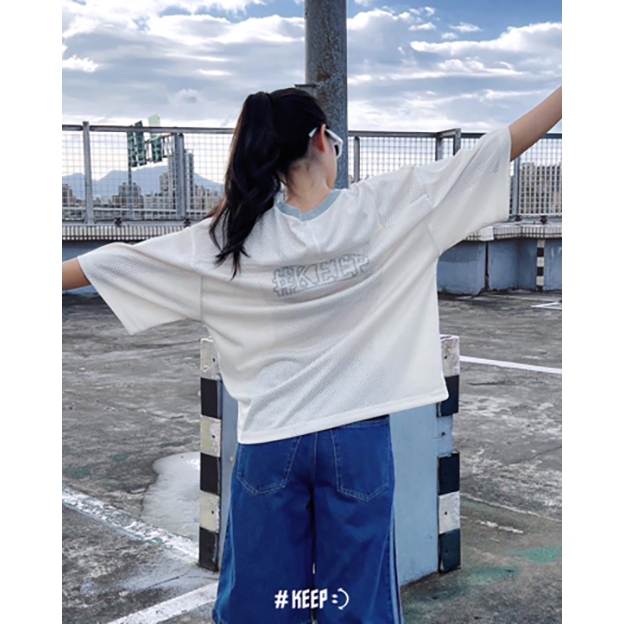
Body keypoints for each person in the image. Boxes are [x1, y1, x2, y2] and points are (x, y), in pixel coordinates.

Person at [62, 85, 562, 623]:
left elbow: (108, 264)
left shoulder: (229, 238)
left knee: (263, 606)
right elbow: (499, 148)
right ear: (322, 140)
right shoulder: (387, 206)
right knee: (357, 605)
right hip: (358, 439)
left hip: (271, 440)